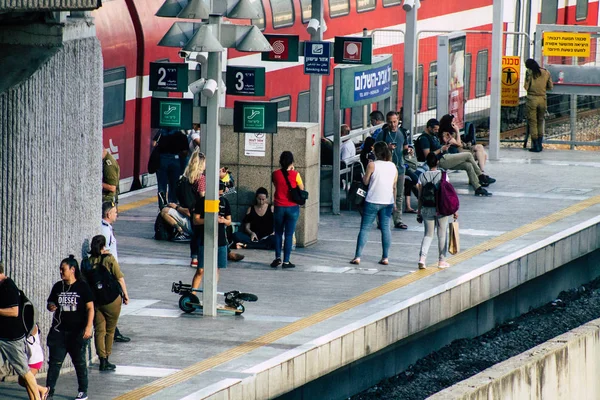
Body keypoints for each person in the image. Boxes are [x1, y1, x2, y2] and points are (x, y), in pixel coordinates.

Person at [46, 255, 94, 400]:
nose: (61, 272)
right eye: (60, 269)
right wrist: (51, 306)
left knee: (79, 362)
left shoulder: (82, 286)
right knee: (55, 363)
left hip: (77, 332)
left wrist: (88, 327)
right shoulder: (58, 286)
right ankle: (49, 391)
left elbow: (90, 308)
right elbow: (50, 303)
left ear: (72, 270)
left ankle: (83, 391)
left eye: (63, 269)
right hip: (59, 332)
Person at [0, 262, 44, 400]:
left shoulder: (8, 286)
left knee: (25, 373)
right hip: (2, 337)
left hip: (12, 339)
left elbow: (14, 311)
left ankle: (38, 397)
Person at [85, 235, 129, 372]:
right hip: (112, 300)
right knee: (110, 330)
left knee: (99, 330)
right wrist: (126, 295)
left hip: (96, 301)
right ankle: (107, 360)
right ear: (104, 246)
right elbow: (119, 278)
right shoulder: (109, 259)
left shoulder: (87, 262)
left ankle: (102, 359)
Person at [418, 118, 494, 197]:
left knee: (468, 165)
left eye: (438, 129)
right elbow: (428, 156)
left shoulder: (433, 136)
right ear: (429, 128)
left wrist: (445, 146)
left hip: (445, 157)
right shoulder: (424, 139)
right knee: (468, 155)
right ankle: (481, 176)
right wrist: (441, 149)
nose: (437, 131)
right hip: (440, 160)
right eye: (435, 129)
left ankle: (478, 188)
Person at [350, 142, 397, 265]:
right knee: (385, 228)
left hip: (372, 200)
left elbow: (365, 182)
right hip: (388, 201)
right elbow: (394, 186)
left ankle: (358, 257)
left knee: (365, 228)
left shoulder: (372, 165)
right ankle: (385, 257)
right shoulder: (393, 166)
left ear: (376, 152)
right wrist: (395, 203)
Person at [417, 153, 458, 269]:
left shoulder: (422, 176)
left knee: (428, 235)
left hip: (426, 208)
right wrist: (454, 210)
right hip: (441, 209)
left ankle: (422, 259)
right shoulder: (443, 175)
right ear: (437, 162)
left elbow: (420, 196)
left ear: (427, 163)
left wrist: (419, 212)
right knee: (441, 235)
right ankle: (441, 261)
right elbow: (449, 195)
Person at [191, 182, 231, 294]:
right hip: (205, 238)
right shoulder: (202, 202)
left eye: (220, 195)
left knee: (217, 268)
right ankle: (193, 293)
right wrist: (210, 220)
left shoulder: (224, 202)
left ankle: (211, 292)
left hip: (221, 239)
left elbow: (229, 221)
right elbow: (195, 220)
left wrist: (223, 220)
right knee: (201, 269)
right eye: (217, 194)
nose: (219, 197)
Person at [100, 202, 131, 344]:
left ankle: (114, 330)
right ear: (108, 214)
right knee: (114, 299)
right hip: (109, 270)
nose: (116, 214)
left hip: (111, 268)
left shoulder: (107, 228)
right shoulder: (105, 230)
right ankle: (113, 331)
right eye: (115, 212)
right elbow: (104, 251)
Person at [376, 111, 409, 229]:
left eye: (394, 122)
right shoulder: (382, 134)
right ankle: (382, 220)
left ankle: (398, 220)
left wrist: (408, 151)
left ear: (398, 120)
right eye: (390, 122)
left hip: (399, 168)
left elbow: (405, 147)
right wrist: (387, 148)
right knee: (384, 194)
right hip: (386, 169)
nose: (393, 125)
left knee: (399, 195)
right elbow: (377, 151)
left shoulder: (402, 133)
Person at [271, 151, 304, 269]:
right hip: (292, 208)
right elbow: (302, 189)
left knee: (278, 233)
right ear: (292, 162)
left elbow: (276, 184)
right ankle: (286, 261)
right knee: (289, 234)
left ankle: (277, 258)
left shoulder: (275, 174)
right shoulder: (296, 174)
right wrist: (292, 170)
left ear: (280, 161)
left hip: (279, 207)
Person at [152, 129, 189, 207]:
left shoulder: (162, 132)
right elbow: (185, 152)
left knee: (161, 185)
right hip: (175, 160)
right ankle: (172, 205)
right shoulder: (181, 134)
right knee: (174, 185)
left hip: (161, 160)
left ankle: (162, 206)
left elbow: (154, 143)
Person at [524, 58, 553, 152]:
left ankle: (535, 145)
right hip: (542, 99)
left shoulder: (530, 73)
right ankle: (540, 144)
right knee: (540, 121)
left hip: (532, 99)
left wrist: (528, 78)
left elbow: (526, 87)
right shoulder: (546, 72)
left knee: (533, 122)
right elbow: (550, 87)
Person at [19, 324, 46, 399]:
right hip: (27, 359)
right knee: (24, 381)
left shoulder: (33, 325)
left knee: (26, 381)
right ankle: (40, 392)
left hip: (35, 358)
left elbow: (27, 332)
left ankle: (43, 389)